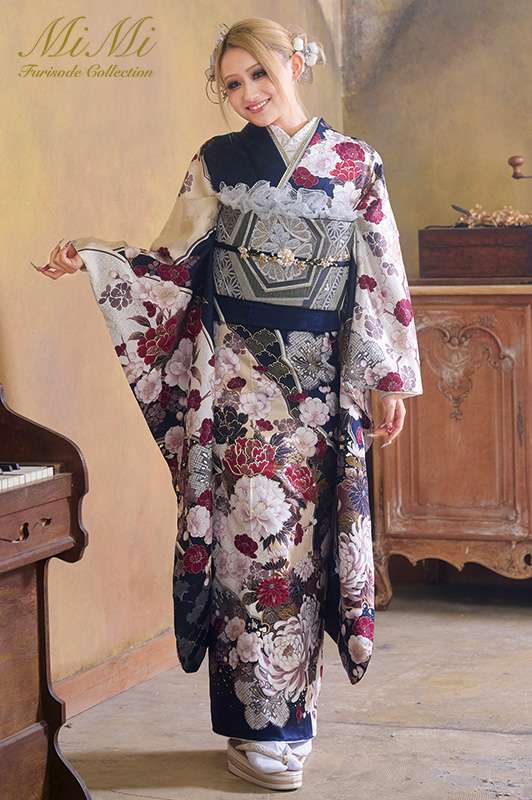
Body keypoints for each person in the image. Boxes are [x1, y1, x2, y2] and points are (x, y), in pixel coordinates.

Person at [38, 17, 422, 791]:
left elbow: (380, 272)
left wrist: (388, 380)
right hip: (242, 392)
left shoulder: (355, 163)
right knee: (252, 551)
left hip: (322, 393)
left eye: (258, 74)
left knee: (312, 553)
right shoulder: (217, 161)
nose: (248, 93)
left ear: (293, 65)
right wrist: (98, 260)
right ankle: (257, 726)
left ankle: (295, 716)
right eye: (232, 84)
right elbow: (174, 260)